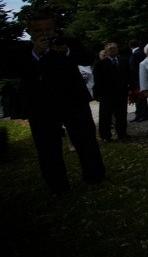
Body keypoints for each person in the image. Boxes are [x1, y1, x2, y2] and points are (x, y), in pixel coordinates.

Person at [3, 13, 105, 195]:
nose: (44, 33)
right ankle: (58, 185)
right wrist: (36, 54)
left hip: (72, 100)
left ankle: (95, 176)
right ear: (30, 32)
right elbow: (10, 70)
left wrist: (66, 52)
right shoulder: (22, 50)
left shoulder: (68, 43)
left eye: (48, 29)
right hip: (40, 105)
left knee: (85, 139)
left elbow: (87, 58)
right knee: (47, 147)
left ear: (54, 28)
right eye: (38, 30)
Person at [92, 42, 131, 142]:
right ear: (106, 51)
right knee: (106, 115)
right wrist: (97, 94)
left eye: (115, 48)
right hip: (107, 94)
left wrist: (130, 88)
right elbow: (97, 80)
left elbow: (128, 75)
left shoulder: (123, 61)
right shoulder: (100, 64)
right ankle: (105, 136)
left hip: (121, 92)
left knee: (121, 114)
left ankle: (122, 133)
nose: (113, 50)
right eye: (111, 49)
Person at [128, 39, 148, 122]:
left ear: (130, 46)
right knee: (141, 97)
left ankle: (141, 114)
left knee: (139, 97)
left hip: (137, 79)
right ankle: (141, 114)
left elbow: (133, 69)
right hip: (143, 77)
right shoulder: (143, 53)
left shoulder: (134, 55)